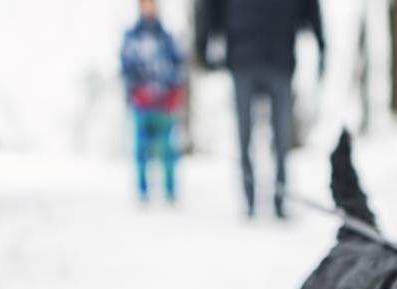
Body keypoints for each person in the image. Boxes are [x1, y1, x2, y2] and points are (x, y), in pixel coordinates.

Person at [196, 0, 325, 219]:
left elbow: (309, 7)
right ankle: (250, 200)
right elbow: (211, 7)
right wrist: (201, 46)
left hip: (278, 58)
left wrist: (322, 45)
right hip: (245, 58)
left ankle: (280, 199)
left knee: (281, 138)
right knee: (247, 136)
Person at [121, 0, 186, 205]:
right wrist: (136, 92)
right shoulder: (132, 38)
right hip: (142, 105)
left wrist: (174, 92)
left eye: (152, 3)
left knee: (168, 150)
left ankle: (170, 191)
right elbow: (125, 69)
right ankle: (143, 192)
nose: (149, 7)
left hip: (165, 104)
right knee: (141, 150)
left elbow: (179, 67)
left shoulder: (167, 38)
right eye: (145, 4)